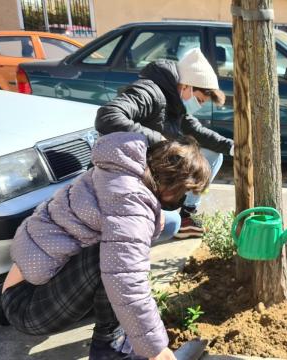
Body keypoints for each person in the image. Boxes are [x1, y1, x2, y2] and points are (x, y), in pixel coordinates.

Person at [0, 132, 210, 360]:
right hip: (26, 306)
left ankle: (2, 300)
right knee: (115, 264)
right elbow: (126, 281)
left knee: (118, 259)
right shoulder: (131, 203)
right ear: (172, 183)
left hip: (20, 287)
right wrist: (157, 350)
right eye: (184, 193)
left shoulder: (120, 171)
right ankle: (109, 350)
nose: (183, 200)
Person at [95, 48, 233, 239]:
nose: (199, 106)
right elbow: (108, 117)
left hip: (151, 173)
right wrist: (158, 139)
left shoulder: (176, 102)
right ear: (186, 86)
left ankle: (187, 214)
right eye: (199, 100)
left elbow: (197, 131)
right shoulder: (149, 92)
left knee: (212, 155)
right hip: (127, 176)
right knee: (169, 224)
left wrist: (233, 147)